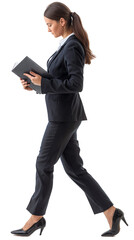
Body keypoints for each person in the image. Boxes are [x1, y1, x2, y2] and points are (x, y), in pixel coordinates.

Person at [11, 2, 128, 237]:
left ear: (62, 21)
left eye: (50, 24)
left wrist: (44, 84)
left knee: (43, 164)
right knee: (75, 168)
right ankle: (111, 211)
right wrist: (35, 86)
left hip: (63, 118)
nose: (48, 29)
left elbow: (77, 84)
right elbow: (59, 80)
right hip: (64, 115)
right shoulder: (64, 45)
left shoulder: (72, 45)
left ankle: (36, 217)